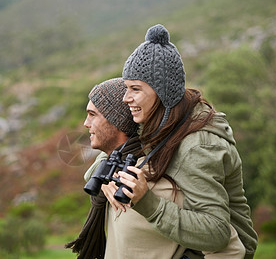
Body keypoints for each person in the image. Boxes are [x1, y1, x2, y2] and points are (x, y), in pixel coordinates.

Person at [91, 24, 258, 259]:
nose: (126, 98)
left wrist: (147, 203)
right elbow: (117, 152)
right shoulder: (160, 124)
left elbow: (218, 233)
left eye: (135, 89)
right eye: (127, 88)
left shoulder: (198, 146)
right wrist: (107, 178)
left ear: (163, 93)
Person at [66, 77, 142, 259]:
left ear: (116, 121)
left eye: (92, 115)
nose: (86, 123)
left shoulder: (139, 178)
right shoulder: (109, 174)